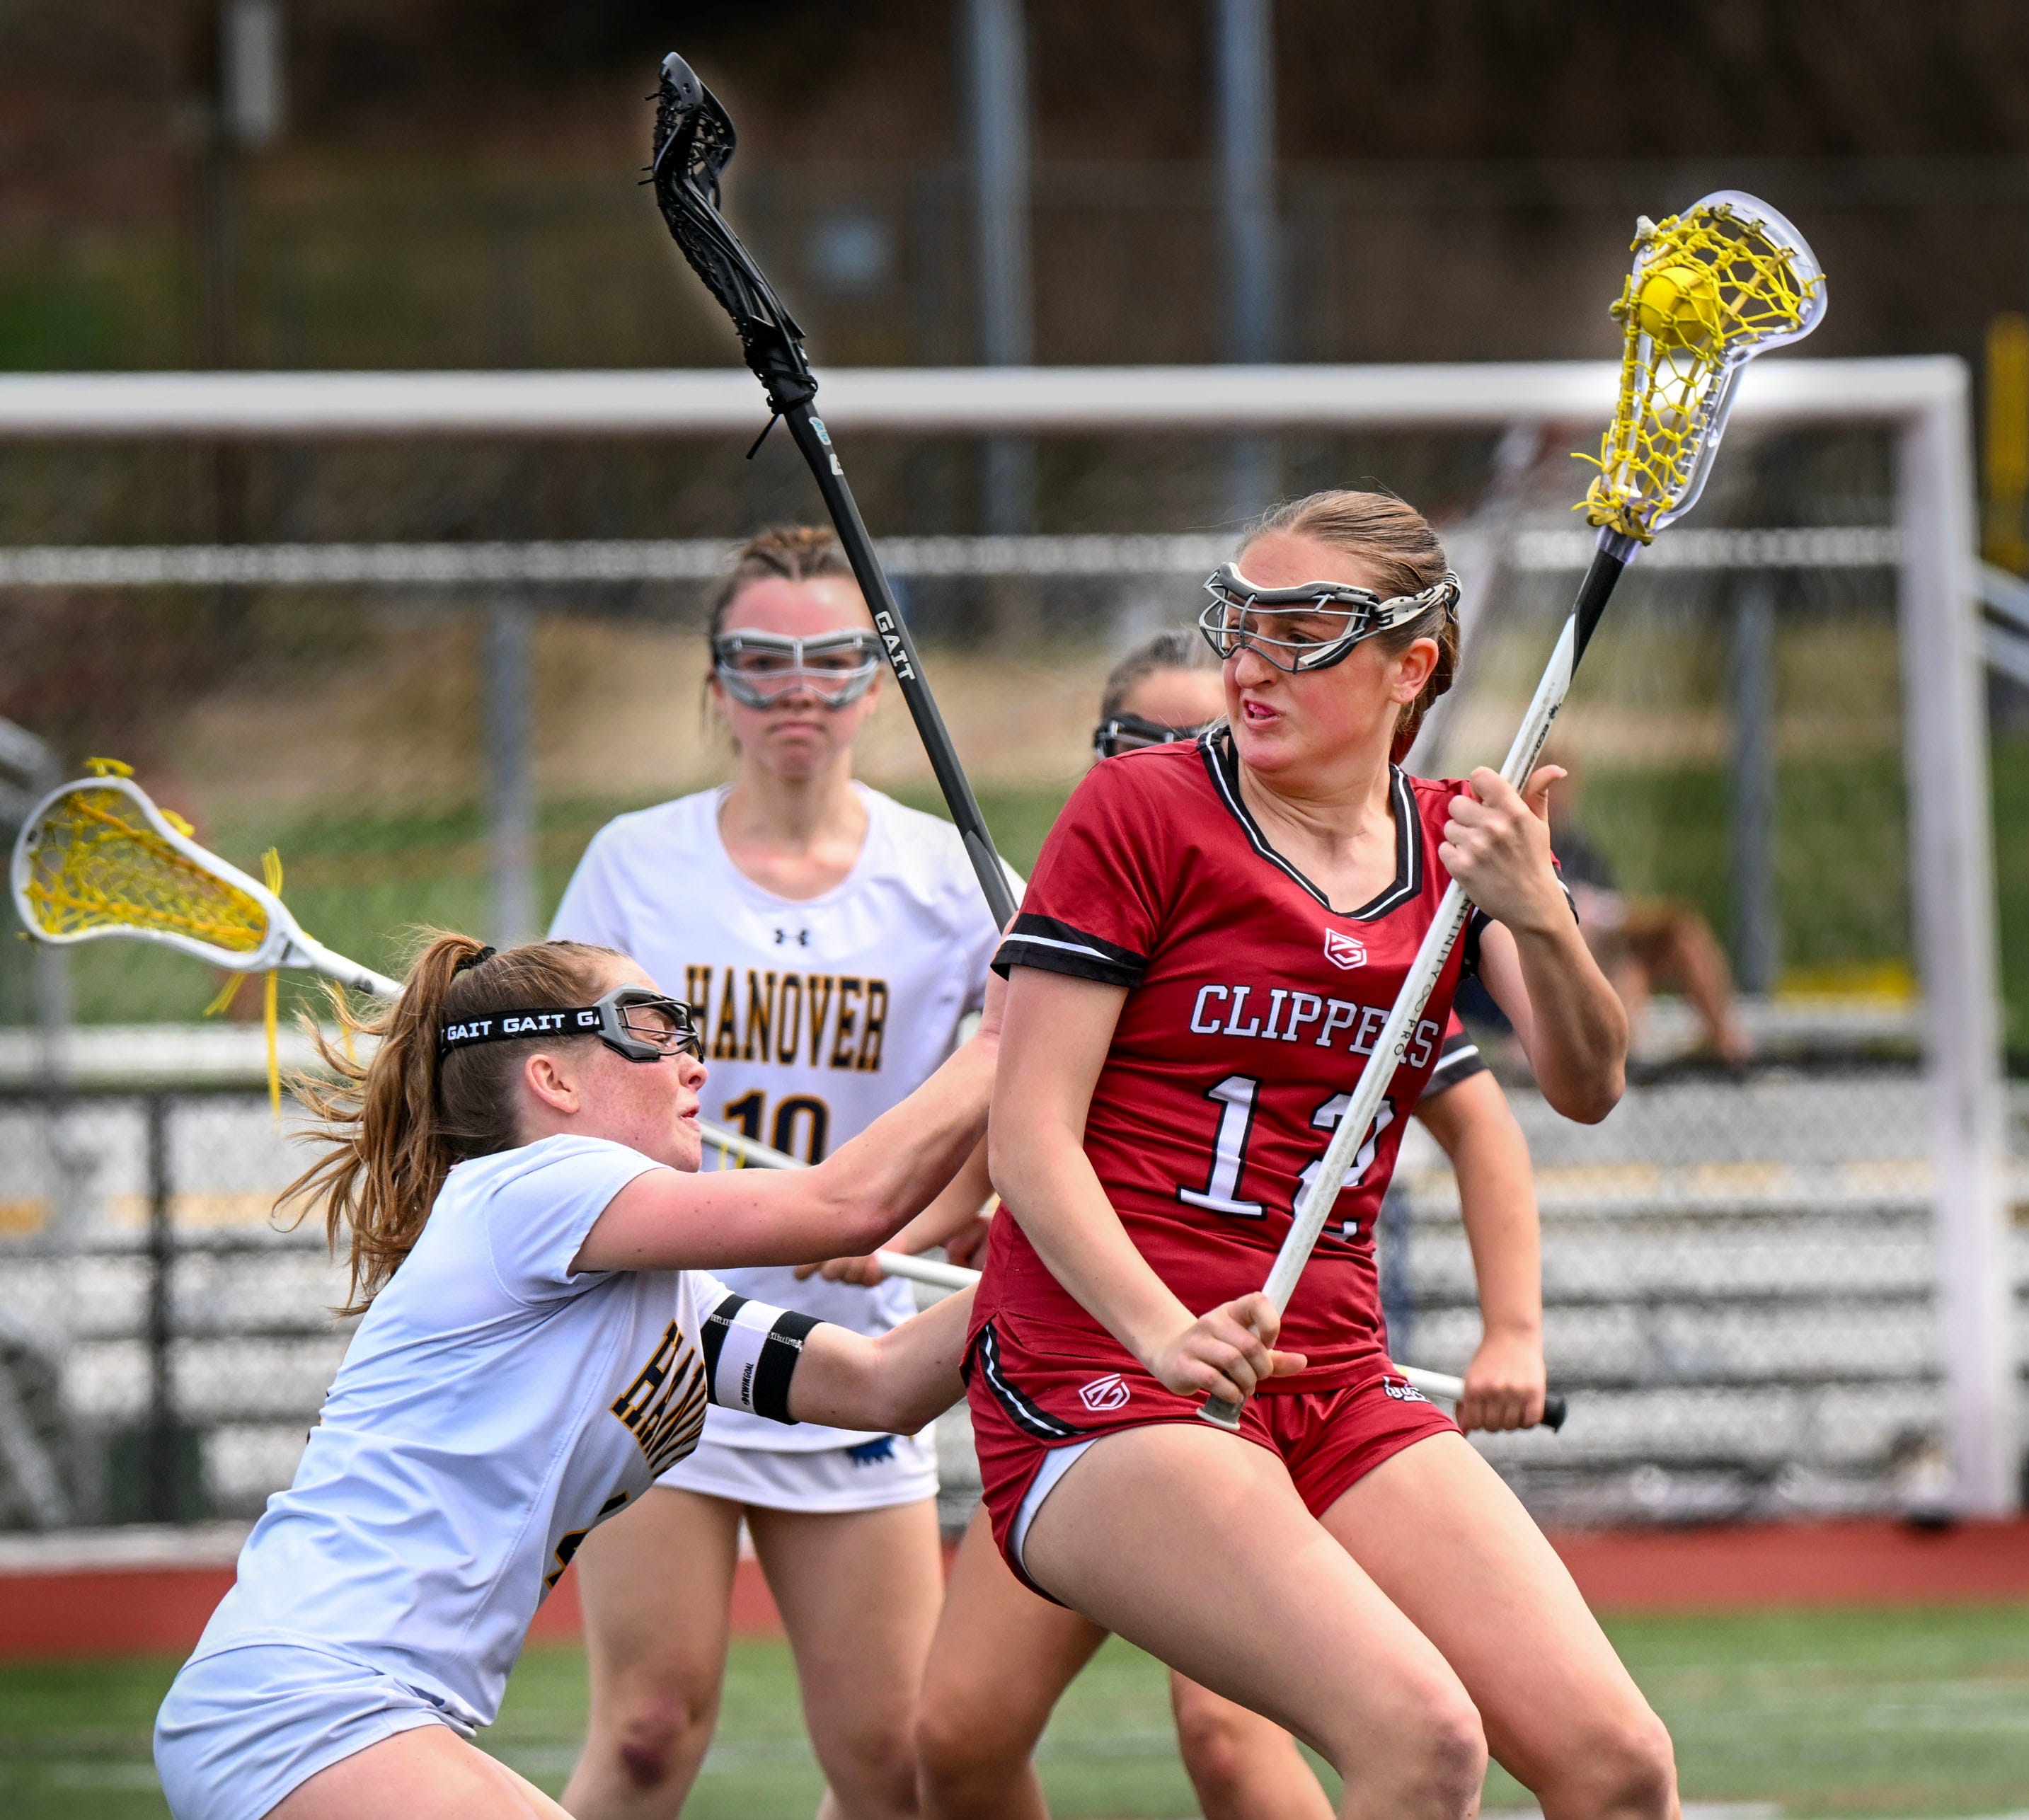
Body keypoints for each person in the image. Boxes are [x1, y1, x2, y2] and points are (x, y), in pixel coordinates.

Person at [968, 490, 1672, 1820]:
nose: (1248, 662)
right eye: (1240, 623)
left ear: (1411, 668)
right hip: (1105, 1367)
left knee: (1617, 1765)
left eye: (1302, 632)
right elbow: (1028, 1138)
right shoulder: (1139, 810)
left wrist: (1539, 912)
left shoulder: (1462, 845)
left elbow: (1587, 1083)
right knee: (1419, 1736)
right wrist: (1162, 1329)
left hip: (1330, 1370)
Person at [916, 629, 1549, 1820]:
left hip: (1281, 1364)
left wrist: (1511, 1329)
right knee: (955, 1734)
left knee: (1241, 1724)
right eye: (1137, 746)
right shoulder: (1096, 897)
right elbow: (1010, 1131)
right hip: (1105, 1364)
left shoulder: (1332, 935)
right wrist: (949, 1217)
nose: (1176, 765)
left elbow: (1501, 1119)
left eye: (1188, 738)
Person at [151, 931, 998, 1820]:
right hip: (308, 1706)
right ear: (551, 1079)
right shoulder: (534, 1186)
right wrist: (1009, 1029)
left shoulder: (652, 1289)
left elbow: (883, 1386)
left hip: (359, 1712)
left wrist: (1075, 1245)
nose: (692, 1065)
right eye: (650, 1028)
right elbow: (849, 1205)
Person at [547, 526, 1005, 1820]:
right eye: (758, 660)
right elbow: (570, 1097)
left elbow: (1023, 1085)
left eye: (829, 658)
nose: (795, 689)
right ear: (714, 683)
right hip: (662, 1343)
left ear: (876, 679)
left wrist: (923, 1210)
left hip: (855, 1354)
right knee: (645, 1730)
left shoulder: (954, 883)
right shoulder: (635, 862)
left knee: (888, 1763)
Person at [1546, 757, 1751, 1066]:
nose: (1560, 798)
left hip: (1600, 934)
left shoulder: (1579, 849)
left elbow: (1607, 900)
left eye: (1565, 787)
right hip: (1568, 940)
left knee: (1674, 938)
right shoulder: (1522, 844)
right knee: (1657, 939)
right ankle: (1625, 1059)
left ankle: (1726, 1044)